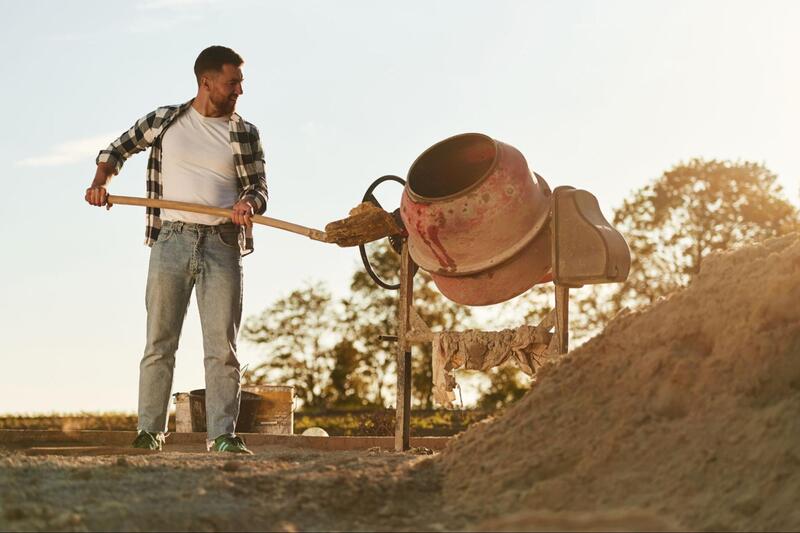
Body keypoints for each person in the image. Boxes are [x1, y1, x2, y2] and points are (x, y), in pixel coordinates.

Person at [85, 46, 268, 454]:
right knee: (159, 341)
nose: (240, 89)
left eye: (240, 81)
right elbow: (116, 151)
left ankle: (222, 435)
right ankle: (150, 431)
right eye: (233, 82)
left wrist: (248, 204)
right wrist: (102, 184)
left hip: (222, 243)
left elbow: (259, 189)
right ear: (206, 82)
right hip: (170, 240)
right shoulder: (165, 122)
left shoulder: (246, 132)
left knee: (222, 348)